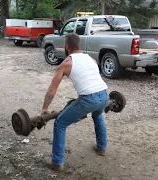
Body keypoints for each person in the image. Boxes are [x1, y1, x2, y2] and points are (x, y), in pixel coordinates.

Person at [41, 33, 109, 171]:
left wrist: (45, 108)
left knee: (60, 123)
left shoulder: (66, 64)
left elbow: (52, 90)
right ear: (79, 45)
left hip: (89, 99)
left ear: (67, 47)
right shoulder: (90, 59)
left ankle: (57, 162)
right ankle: (102, 148)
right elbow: (93, 81)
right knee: (98, 115)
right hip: (105, 95)